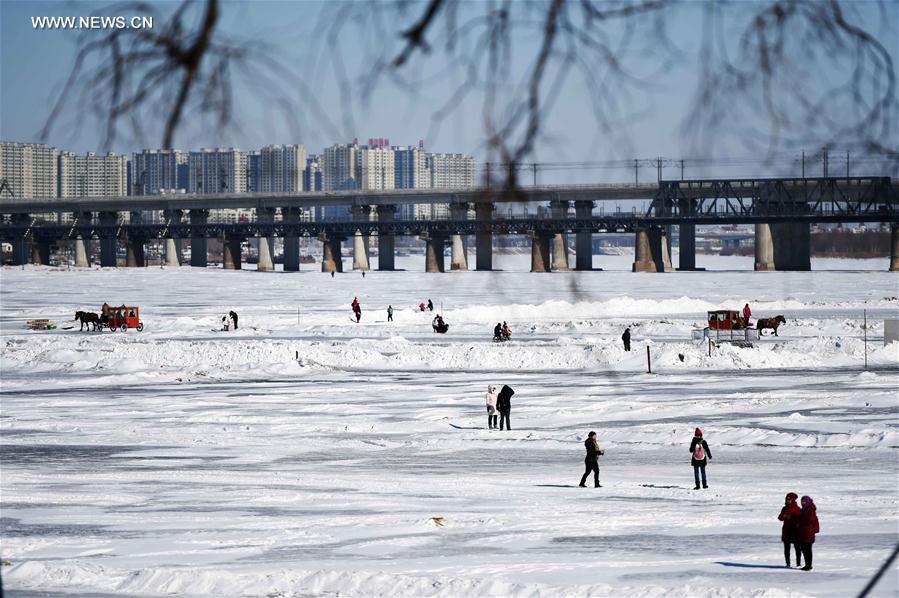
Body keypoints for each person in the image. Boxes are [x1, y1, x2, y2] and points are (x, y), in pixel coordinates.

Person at [778, 492, 802, 568]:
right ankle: (788, 564)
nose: (787, 501)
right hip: (786, 530)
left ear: (793, 500)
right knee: (786, 548)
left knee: (797, 548)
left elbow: (799, 519)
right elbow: (780, 518)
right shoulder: (784, 508)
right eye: (787, 499)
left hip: (795, 531)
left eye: (789, 499)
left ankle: (798, 564)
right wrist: (784, 515)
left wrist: (791, 518)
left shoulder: (797, 508)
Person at [797, 496, 819, 571]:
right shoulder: (804, 509)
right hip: (804, 532)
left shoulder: (810, 509)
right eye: (802, 501)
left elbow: (810, 520)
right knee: (804, 548)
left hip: (808, 532)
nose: (803, 503)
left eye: (804, 501)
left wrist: (800, 522)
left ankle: (809, 565)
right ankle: (807, 564)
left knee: (807, 549)